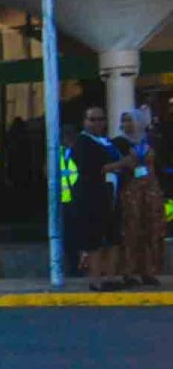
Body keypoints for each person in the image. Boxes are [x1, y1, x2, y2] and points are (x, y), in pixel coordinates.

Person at [69, 105, 127, 290]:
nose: (97, 123)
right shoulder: (82, 143)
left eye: (100, 119)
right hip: (91, 196)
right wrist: (121, 163)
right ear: (84, 122)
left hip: (111, 195)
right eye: (92, 119)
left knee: (113, 238)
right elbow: (93, 169)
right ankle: (95, 280)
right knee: (93, 240)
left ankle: (111, 277)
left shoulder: (106, 142)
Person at [115, 110, 164, 287]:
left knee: (151, 231)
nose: (127, 124)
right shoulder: (118, 143)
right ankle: (128, 272)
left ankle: (148, 271)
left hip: (151, 192)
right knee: (130, 231)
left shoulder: (150, 142)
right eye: (124, 121)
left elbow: (159, 167)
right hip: (130, 192)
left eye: (130, 121)